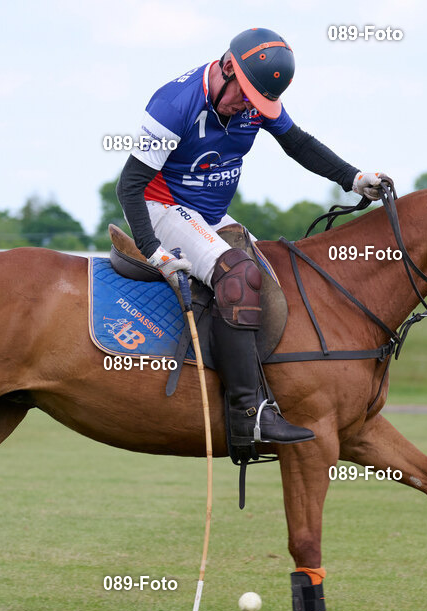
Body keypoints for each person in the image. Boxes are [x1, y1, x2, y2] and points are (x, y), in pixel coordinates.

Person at [116, 27, 391, 447]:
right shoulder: (174, 104)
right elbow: (129, 186)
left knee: (276, 275)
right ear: (227, 66)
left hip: (210, 215)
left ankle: (278, 388)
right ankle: (249, 414)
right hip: (161, 208)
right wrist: (154, 251)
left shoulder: (254, 97)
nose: (248, 107)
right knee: (239, 277)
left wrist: (353, 178)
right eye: (243, 95)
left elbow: (297, 142)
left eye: (256, 102)